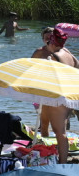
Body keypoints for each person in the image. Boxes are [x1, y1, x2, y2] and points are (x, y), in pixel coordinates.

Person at [32, 28, 78, 163]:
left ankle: (62, 163)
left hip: (56, 97)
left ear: (52, 42)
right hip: (61, 96)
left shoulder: (52, 56)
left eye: (49, 40)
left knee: (60, 133)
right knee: (45, 126)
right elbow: (77, 67)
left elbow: (32, 70)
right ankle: (47, 155)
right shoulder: (68, 53)